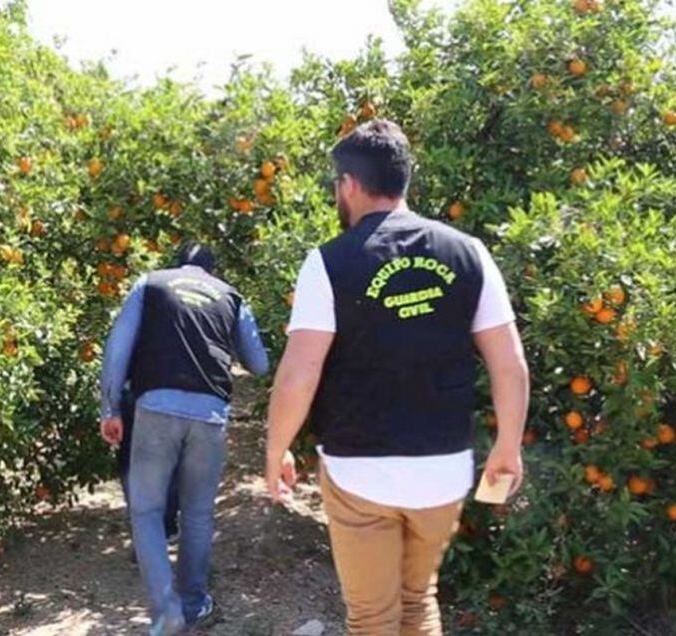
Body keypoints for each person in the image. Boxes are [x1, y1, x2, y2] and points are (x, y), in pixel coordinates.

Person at [264, 120, 529, 636]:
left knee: (372, 618)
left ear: (350, 184)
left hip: (359, 468)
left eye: (337, 186)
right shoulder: (468, 251)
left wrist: (277, 448)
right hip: (444, 467)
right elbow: (508, 361)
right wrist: (509, 446)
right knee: (418, 600)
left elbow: (300, 370)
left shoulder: (328, 262)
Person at [99, 242, 269, 636]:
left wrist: (110, 408)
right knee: (197, 513)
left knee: (146, 512)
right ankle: (193, 604)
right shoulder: (231, 295)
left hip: (155, 408)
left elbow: (117, 346)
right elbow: (258, 364)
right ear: (211, 270)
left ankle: (166, 612)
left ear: (179, 265)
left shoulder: (151, 284)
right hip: (210, 415)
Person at [116, 385, 181, 547]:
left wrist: (109, 406)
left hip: (134, 389)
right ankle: (166, 524)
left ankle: (144, 526)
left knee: (131, 459)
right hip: (169, 390)